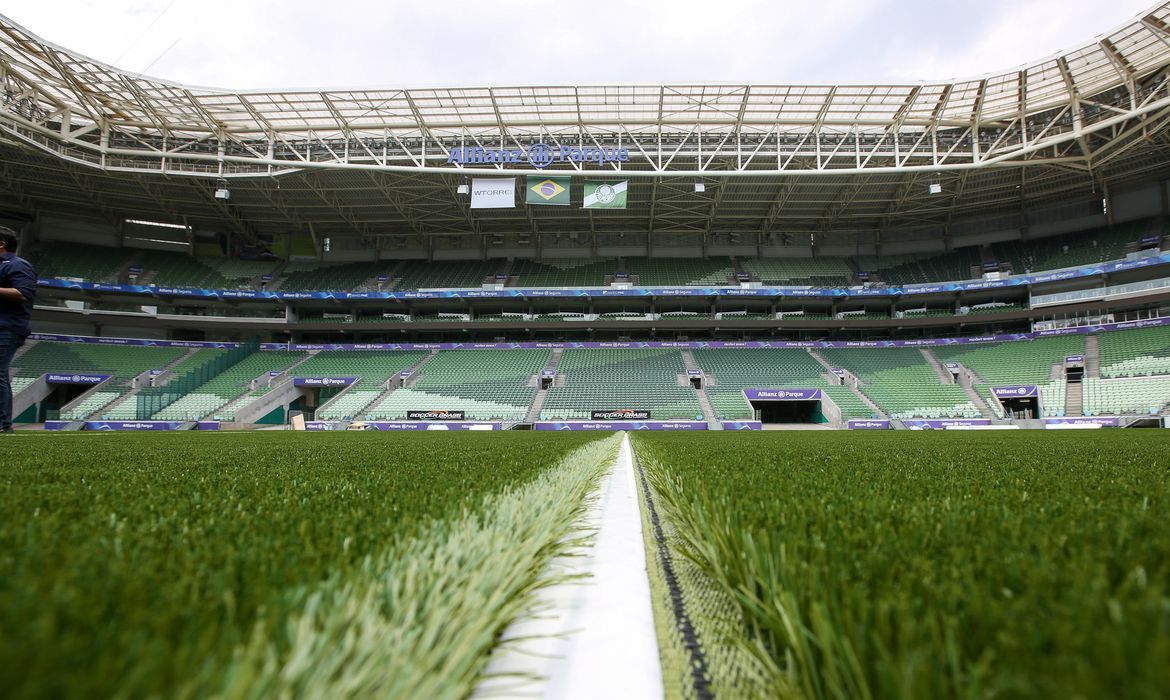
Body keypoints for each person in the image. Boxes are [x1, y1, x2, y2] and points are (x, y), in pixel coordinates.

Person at [0, 227, 36, 433]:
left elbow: (23, 294)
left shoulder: (17, 265)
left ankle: (3, 424)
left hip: (7, 327)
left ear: (1, 243)